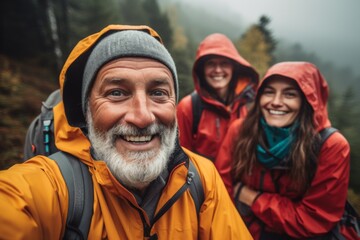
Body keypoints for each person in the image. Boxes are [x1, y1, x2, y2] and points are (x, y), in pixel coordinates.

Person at [0, 25, 252, 239]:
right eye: (116, 93)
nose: (142, 117)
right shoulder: (53, 187)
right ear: (86, 110)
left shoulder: (202, 178)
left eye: (158, 93)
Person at [215, 61, 351, 239]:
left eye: (289, 94)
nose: (276, 102)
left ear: (308, 101)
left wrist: (252, 198)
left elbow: (313, 220)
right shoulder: (240, 130)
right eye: (269, 92)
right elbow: (221, 191)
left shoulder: (331, 146)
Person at [176, 33, 259, 161]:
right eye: (211, 64)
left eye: (224, 63)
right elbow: (180, 159)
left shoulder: (247, 106)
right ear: (201, 70)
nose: (218, 70)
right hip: (202, 181)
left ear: (233, 68)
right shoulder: (188, 107)